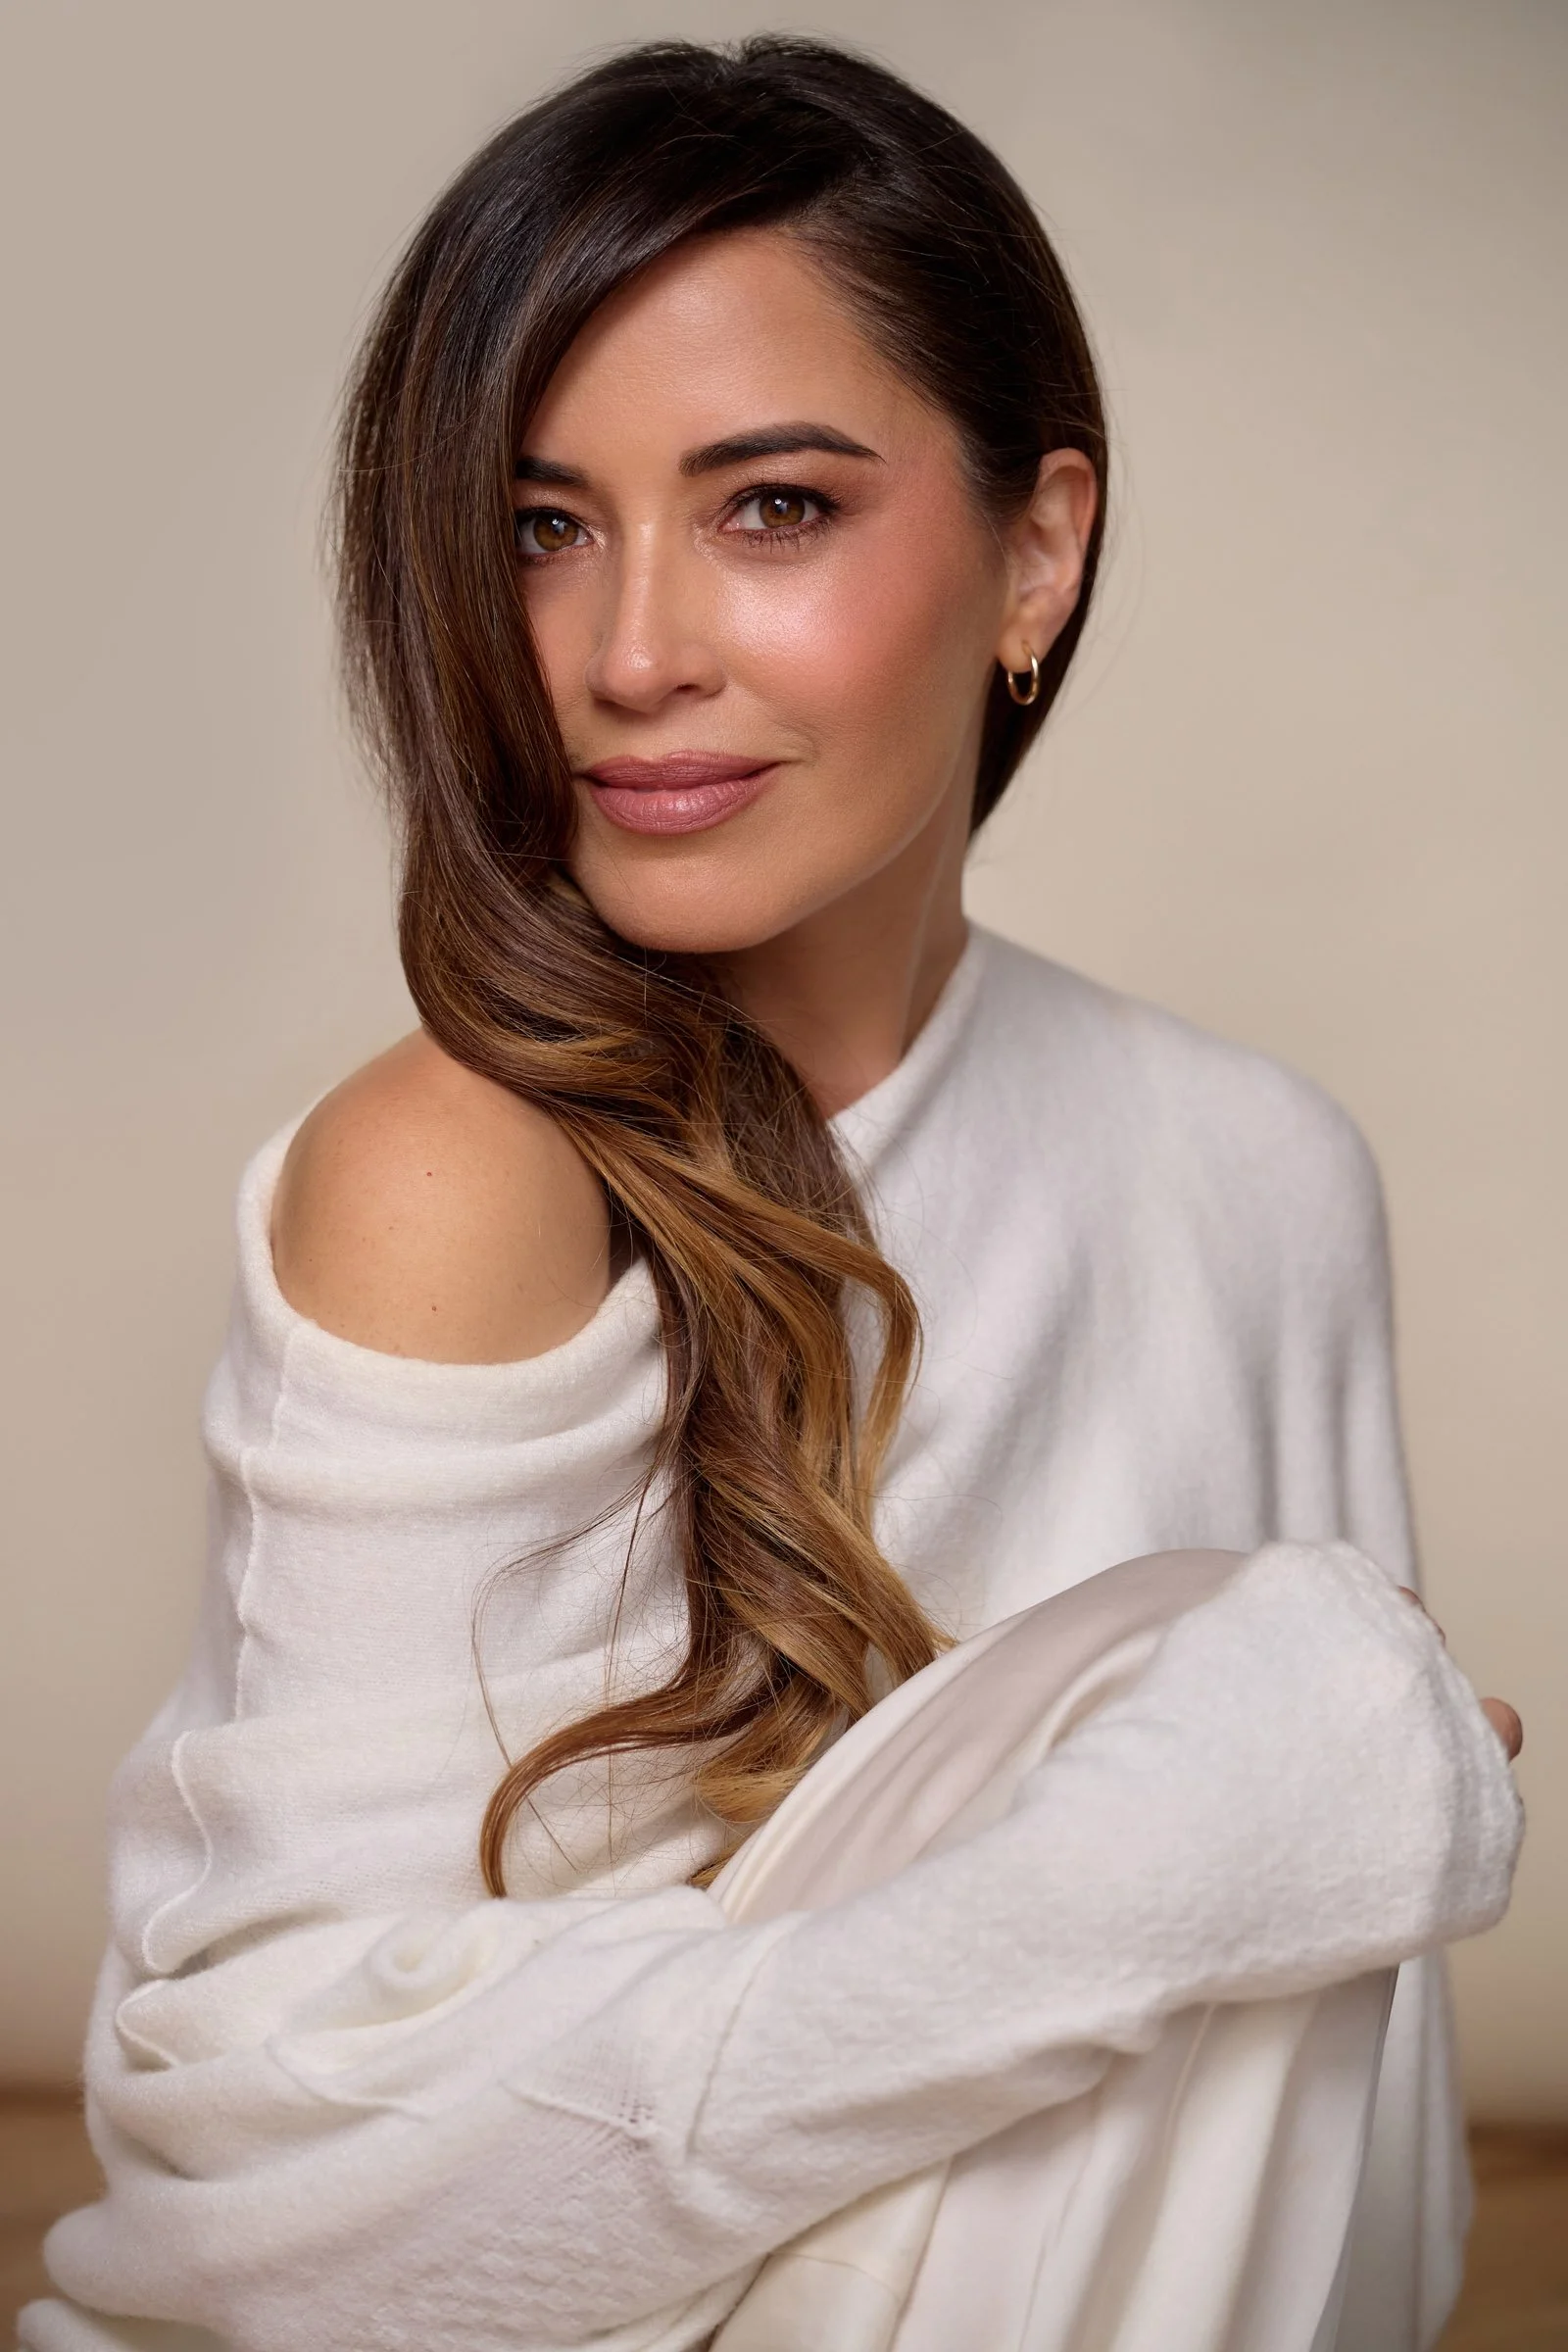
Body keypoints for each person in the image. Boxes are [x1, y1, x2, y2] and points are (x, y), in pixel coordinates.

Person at [23, 36, 1524, 2352]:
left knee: (1241, 1703)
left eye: (771, 508)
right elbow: (278, 2238)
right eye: (540, 528)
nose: (628, 657)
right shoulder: (459, 1170)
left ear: (1036, 552)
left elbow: (1346, 2132)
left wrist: (1256, 1826)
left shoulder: (1253, 1170)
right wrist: (1154, 1873)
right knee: (1226, 1735)